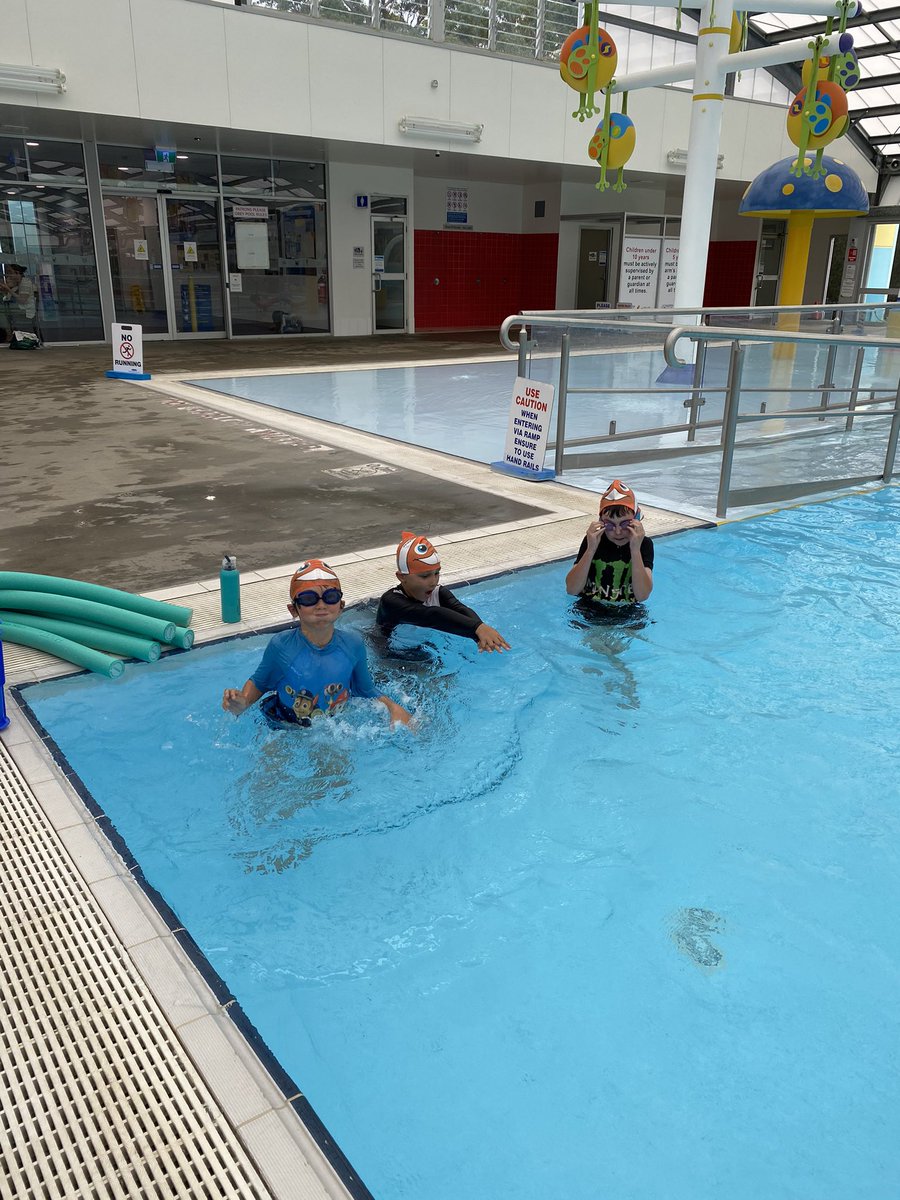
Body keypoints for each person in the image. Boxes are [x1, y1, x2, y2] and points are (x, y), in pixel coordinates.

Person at [222, 559, 413, 727]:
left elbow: (365, 689)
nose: (321, 605)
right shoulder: (281, 646)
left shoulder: (353, 645)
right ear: (293, 609)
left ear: (341, 606)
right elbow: (260, 682)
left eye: (330, 597)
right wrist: (242, 702)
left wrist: (393, 707)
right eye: (308, 599)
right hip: (284, 723)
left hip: (332, 724)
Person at [376, 531, 510, 652]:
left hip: (420, 647)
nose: (433, 581)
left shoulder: (437, 592)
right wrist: (476, 627)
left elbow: (460, 609)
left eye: (436, 573)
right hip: (388, 654)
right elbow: (431, 615)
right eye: (424, 576)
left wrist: (480, 635)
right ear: (402, 577)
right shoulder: (391, 602)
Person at [565, 480, 654, 607]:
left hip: (627, 612)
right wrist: (590, 549)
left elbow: (643, 595)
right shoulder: (593, 540)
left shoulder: (644, 544)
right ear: (600, 523)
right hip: (590, 609)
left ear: (636, 520)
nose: (617, 532)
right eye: (609, 525)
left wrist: (635, 550)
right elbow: (572, 590)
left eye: (625, 524)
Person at [0, 264, 37, 343]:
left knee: (1, 311)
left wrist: (8, 290)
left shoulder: (25, 283)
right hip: (18, 308)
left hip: (25, 310)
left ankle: (8, 333)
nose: (8, 275)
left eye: (10, 273)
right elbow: (8, 297)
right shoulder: (18, 284)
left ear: (17, 273)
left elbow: (22, 300)